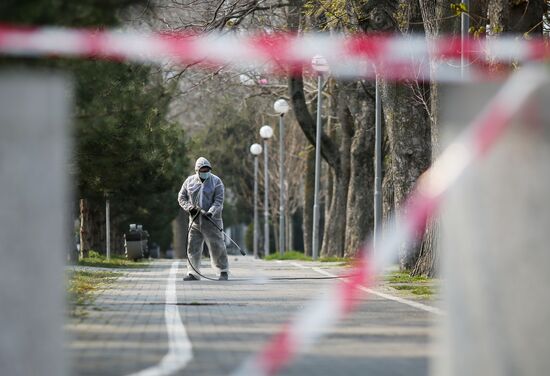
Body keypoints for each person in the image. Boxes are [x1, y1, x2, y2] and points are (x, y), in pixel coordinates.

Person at [178, 157, 229, 281]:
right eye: (202, 170)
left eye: (207, 169)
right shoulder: (189, 181)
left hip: (212, 221)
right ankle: (193, 273)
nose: (205, 172)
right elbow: (181, 197)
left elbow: (218, 201)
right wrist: (190, 208)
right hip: (195, 221)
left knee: (217, 246)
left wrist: (211, 212)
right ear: (197, 170)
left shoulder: (216, 181)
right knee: (193, 246)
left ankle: (223, 271)